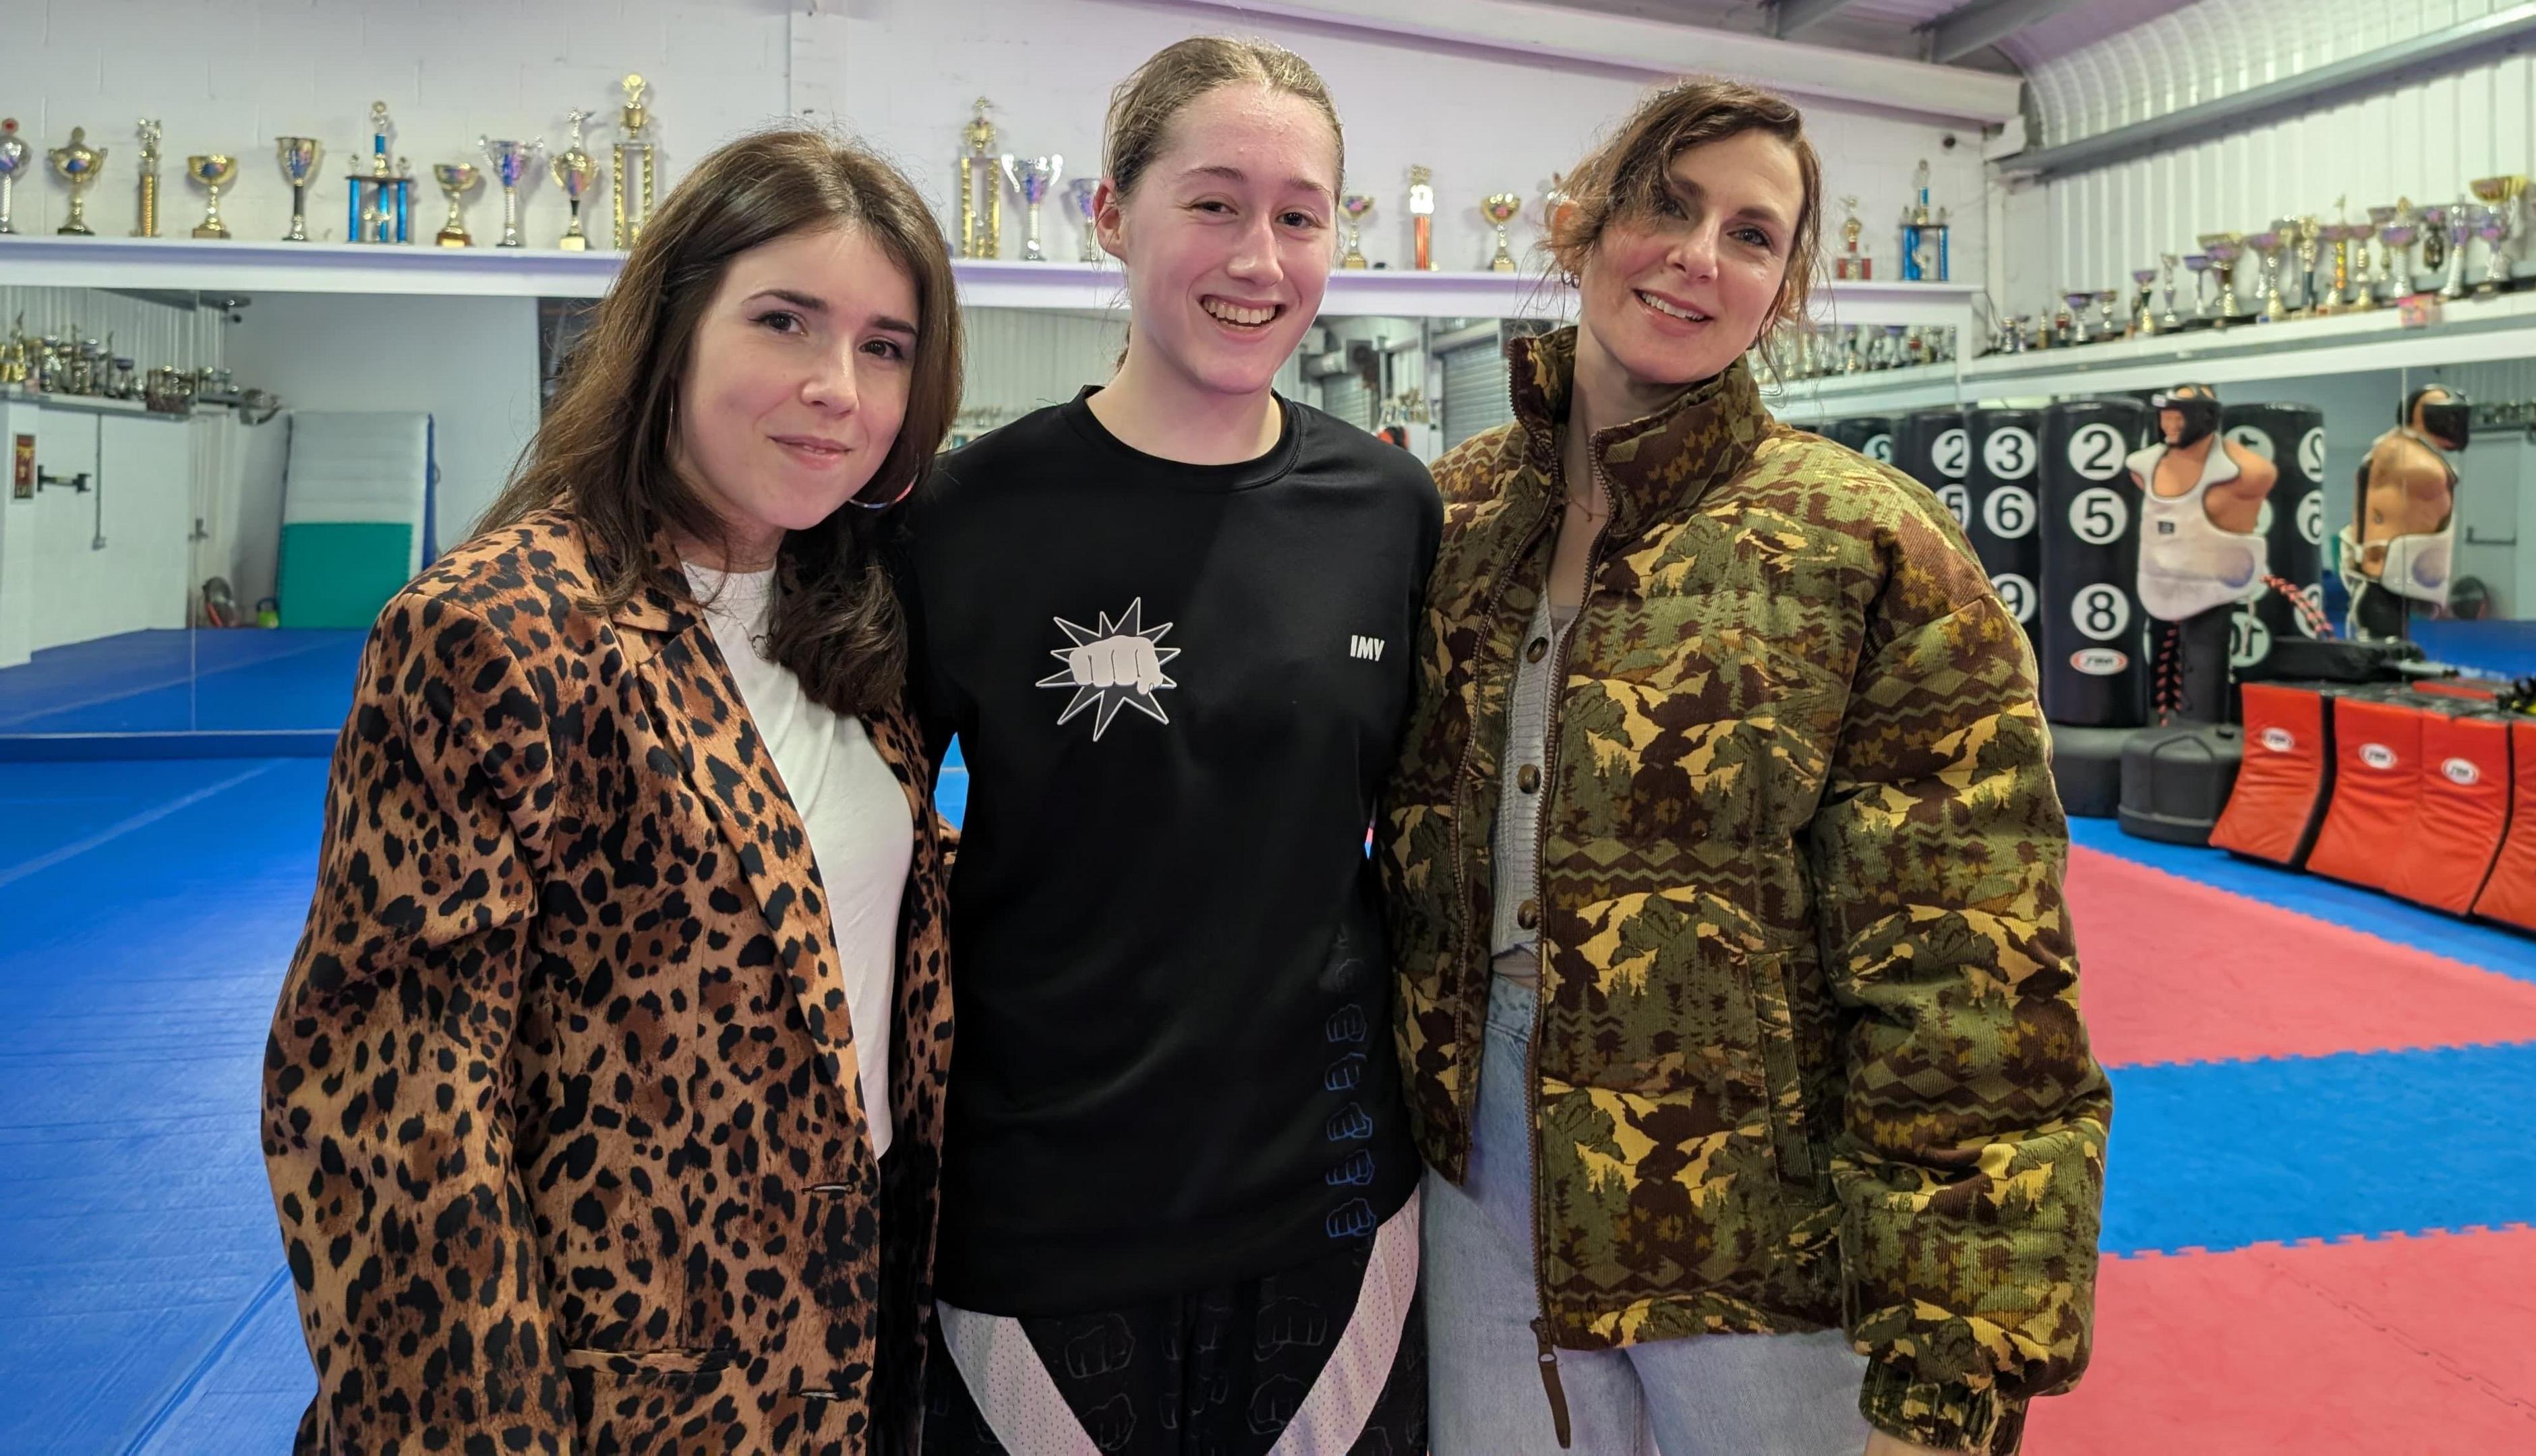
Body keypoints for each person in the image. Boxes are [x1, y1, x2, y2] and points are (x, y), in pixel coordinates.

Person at [1376, 80, 2111, 1456]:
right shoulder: (1453, 517)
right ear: (1584, 222)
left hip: (1762, 1223)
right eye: (1667, 202)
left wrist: (1954, 1351)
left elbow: (1971, 967)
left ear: (1786, 289)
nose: (1699, 253)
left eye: (1753, 234)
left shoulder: (1868, 551)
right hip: (1473, 1177)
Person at [260, 129, 963, 1453]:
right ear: (672, 333)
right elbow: (391, 1119)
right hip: (608, 1385)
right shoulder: (502, 631)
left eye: (884, 345)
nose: (838, 387)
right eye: (784, 322)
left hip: (837, 1347)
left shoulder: (852, 621)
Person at [900, 36, 1439, 1456]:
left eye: (1301, 214)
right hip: (1046, 1213)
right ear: (1109, 214)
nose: (1258, 255)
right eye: (1212, 202)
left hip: (1327, 1206)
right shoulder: (965, 518)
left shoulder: (1388, 511)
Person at [2126, 382, 2277, 722]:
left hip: (2212, 588)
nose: (2170, 426)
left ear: (2205, 418)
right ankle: (2166, 723)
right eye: (2165, 417)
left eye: (2178, 417)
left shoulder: (2248, 472)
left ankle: (2203, 732)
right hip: (2158, 582)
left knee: (2207, 667)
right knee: (2159, 665)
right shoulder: (2143, 465)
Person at [2340, 382, 2468, 639]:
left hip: (2404, 579)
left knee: (2399, 650)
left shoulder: (2419, 452)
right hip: (2381, 582)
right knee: (2386, 652)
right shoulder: (2396, 452)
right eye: (2448, 415)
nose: (2455, 422)